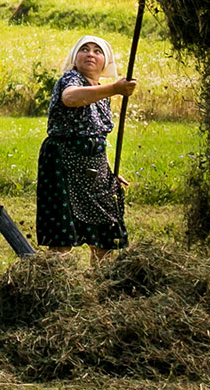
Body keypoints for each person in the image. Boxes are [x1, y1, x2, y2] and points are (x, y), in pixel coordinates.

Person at [36, 35, 137, 258]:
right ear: (75, 57)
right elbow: (71, 99)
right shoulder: (71, 79)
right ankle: (58, 282)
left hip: (93, 168)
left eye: (97, 51)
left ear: (105, 62)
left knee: (105, 233)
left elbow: (98, 135)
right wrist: (115, 88)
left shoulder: (102, 92)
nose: (90, 54)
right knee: (62, 232)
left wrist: (108, 171)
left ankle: (100, 284)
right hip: (62, 162)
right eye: (84, 49)